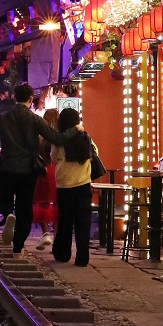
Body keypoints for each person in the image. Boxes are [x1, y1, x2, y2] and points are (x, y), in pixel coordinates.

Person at [0, 84, 78, 255]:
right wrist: (75, 130)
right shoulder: (36, 119)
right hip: (28, 171)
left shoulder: (3, 118)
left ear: (15, 98)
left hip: (7, 167)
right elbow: (56, 138)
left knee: (4, 199)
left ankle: (8, 214)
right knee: (24, 208)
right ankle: (18, 247)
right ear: (30, 99)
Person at [50, 108, 95, 268]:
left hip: (64, 185)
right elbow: (94, 153)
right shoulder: (85, 136)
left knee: (65, 221)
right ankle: (82, 258)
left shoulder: (59, 140)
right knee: (83, 223)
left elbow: (54, 157)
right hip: (83, 184)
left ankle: (63, 254)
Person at [32, 108, 59, 251]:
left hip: (43, 171)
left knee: (41, 202)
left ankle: (45, 233)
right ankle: (57, 238)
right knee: (56, 204)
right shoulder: (59, 136)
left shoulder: (39, 137)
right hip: (57, 171)